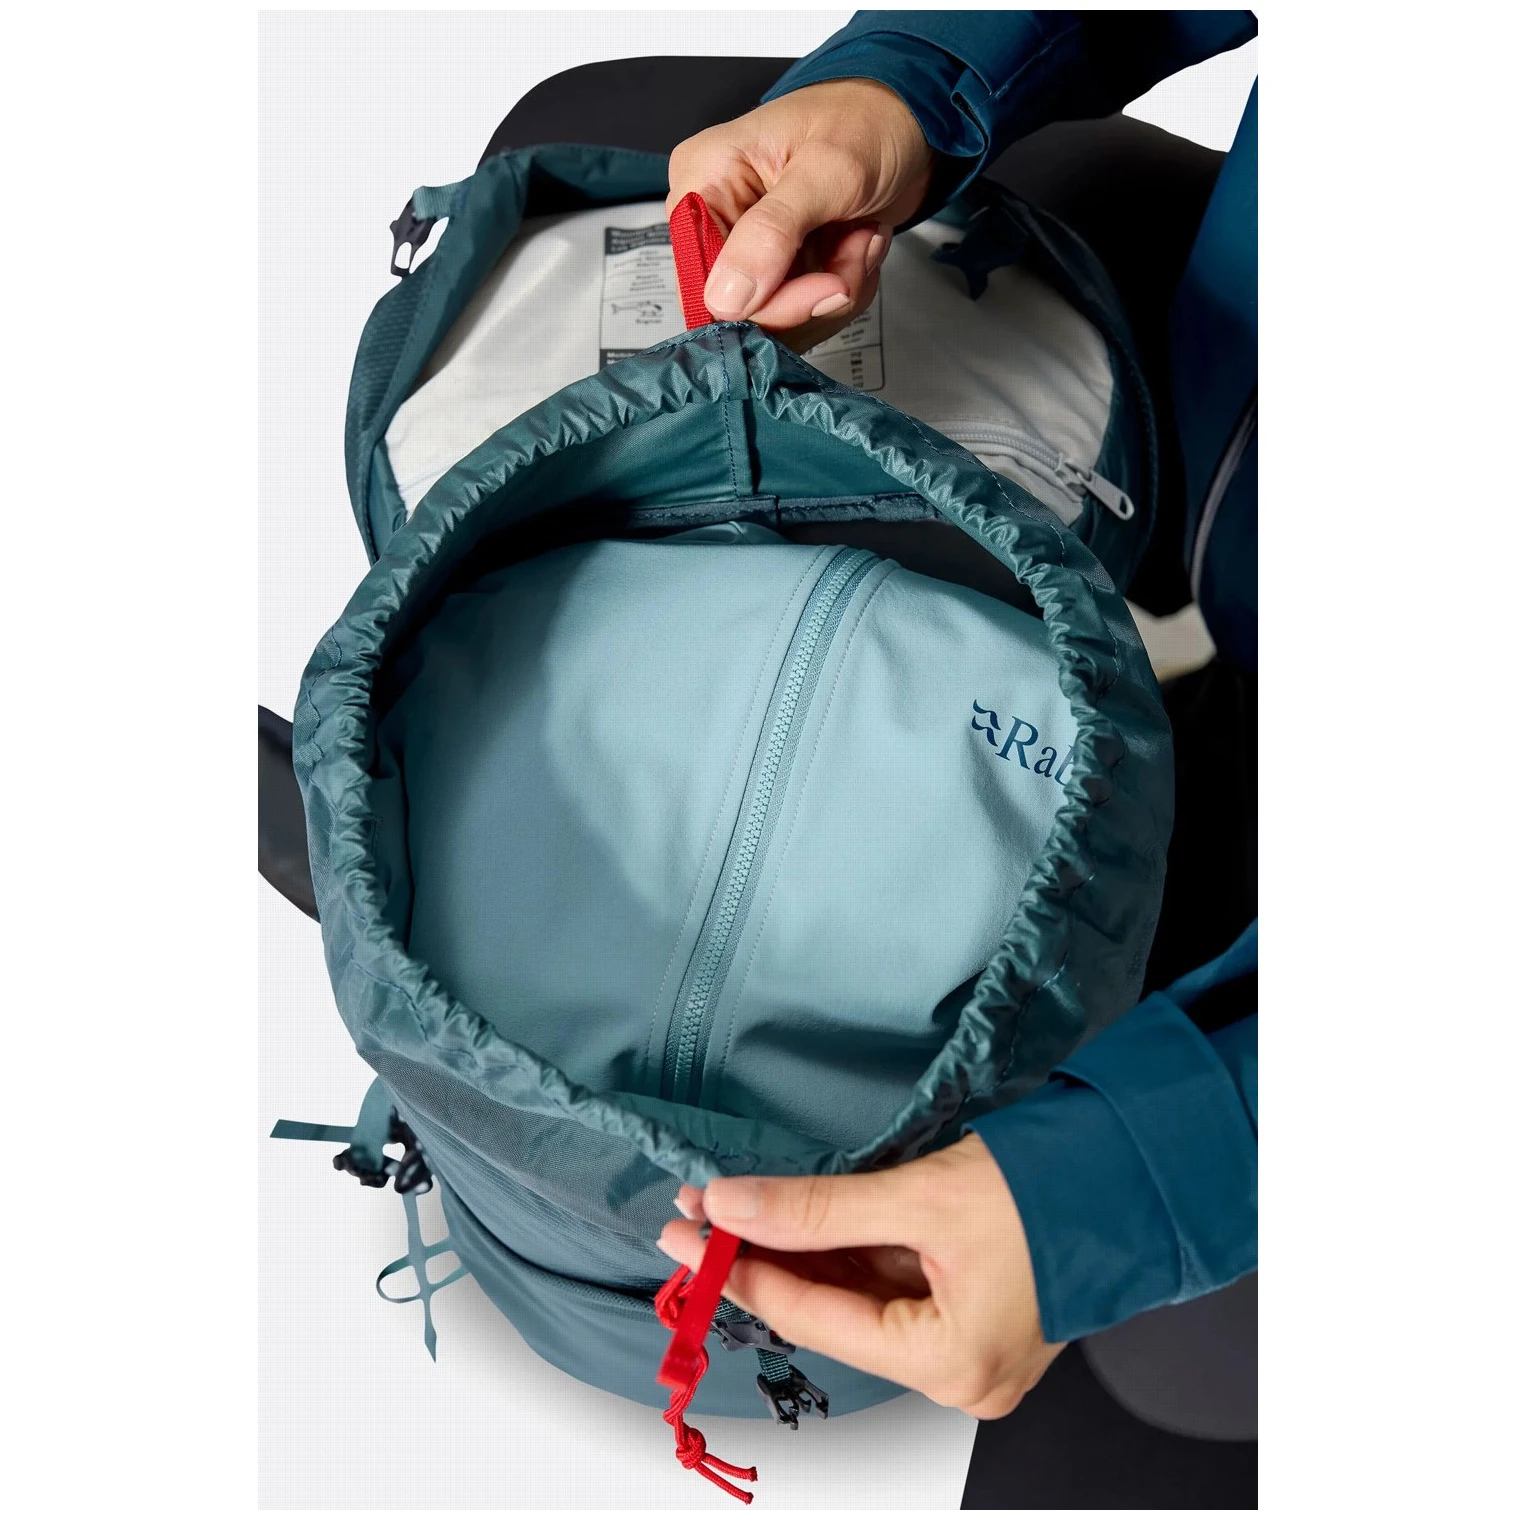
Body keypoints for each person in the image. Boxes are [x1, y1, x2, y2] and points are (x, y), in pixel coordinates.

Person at [656, 10, 1259, 1422]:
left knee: (1178, 1362)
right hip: (1246, 392)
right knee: (618, 134)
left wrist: (1139, 1179)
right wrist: (919, 78)